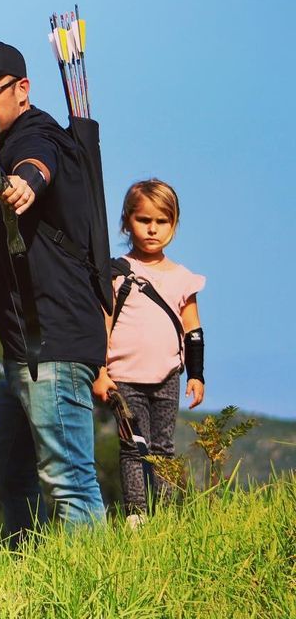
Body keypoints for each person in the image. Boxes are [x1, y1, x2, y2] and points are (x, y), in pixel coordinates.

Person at [0, 40, 106, 547]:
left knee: (68, 480)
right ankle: (27, 572)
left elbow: (39, 163)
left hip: (54, 338)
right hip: (22, 347)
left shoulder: (38, 133)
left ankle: (93, 594)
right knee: (9, 469)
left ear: (22, 91)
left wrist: (25, 183)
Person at [92, 179, 205, 525]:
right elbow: (104, 324)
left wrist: (197, 375)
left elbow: (193, 330)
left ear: (174, 223)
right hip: (124, 375)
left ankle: (166, 517)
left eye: (162, 221)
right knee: (133, 447)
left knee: (163, 448)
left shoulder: (183, 277)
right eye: (144, 220)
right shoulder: (117, 272)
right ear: (127, 222)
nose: (153, 229)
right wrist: (100, 371)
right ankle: (137, 517)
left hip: (168, 375)